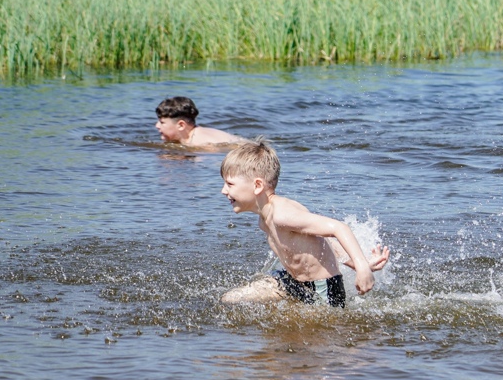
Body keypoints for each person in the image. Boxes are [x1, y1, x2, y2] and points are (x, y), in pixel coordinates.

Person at [219, 139, 388, 307]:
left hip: (323, 290)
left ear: (257, 185)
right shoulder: (264, 219)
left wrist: (362, 266)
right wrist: (354, 262)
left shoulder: (282, 214)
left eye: (230, 184)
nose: (223, 190)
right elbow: (320, 243)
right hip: (291, 281)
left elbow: (339, 227)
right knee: (230, 299)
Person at [155, 96, 247, 148]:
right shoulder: (192, 136)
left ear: (181, 125)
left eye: (162, 122)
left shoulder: (201, 144)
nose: (157, 126)